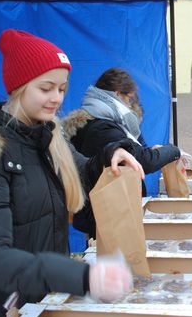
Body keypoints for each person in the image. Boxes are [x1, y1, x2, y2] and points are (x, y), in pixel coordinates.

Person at [0, 29, 144, 317]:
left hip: (42, 305)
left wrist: (111, 154)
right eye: (46, 88)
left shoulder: (48, 135)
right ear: (18, 87)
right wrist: (82, 277)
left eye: (61, 88)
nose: (56, 98)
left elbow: (82, 173)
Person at [63, 67, 185, 237]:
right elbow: (143, 161)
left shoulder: (102, 119)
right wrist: (173, 150)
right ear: (118, 94)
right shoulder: (102, 126)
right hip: (104, 213)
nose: (130, 105)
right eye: (129, 99)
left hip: (105, 208)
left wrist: (152, 151)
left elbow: (135, 152)